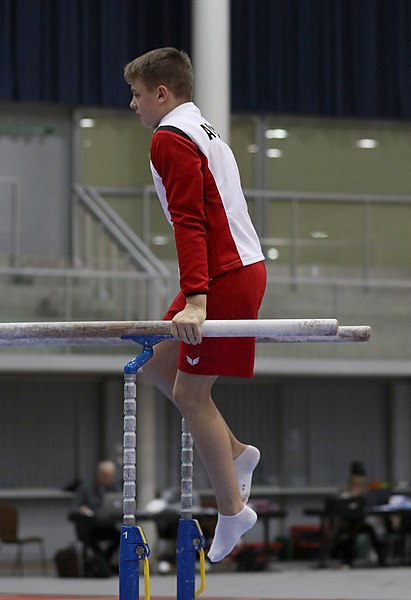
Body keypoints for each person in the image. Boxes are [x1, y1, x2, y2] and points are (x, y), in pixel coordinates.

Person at [124, 47, 266, 562]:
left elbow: (190, 221)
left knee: (190, 396)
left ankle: (233, 511)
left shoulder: (170, 138)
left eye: (137, 95)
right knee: (160, 362)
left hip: (224, 275)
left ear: (163, 93)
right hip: (229, 267)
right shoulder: (200, 126)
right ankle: (236, 452)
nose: (133, 106)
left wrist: (198, 300)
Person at [70, 461, 121, 570]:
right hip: (89, 527)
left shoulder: (114, 487)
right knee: (89, 539)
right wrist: (81, 509)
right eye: (106, 476)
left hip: (106, 525)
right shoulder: (85, 488)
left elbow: (119, 503)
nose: (109, 479)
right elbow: (74, 508)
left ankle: (104, 562)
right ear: (99, 475)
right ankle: (101, 564)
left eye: (111, 476)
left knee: (121, 537)